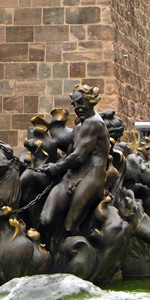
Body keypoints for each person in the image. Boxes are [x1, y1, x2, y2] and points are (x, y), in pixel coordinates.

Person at [40, 84, 111, 234]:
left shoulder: (94, 124)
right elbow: (71, 153)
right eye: (74, 104)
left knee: (69, 226)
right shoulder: (80, 126)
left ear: (90, 101)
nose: (77, 107)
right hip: (72, 176)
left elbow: (79, 156)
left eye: (80, 103)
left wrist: (56, 167)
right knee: (45, 218)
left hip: (92, 176)